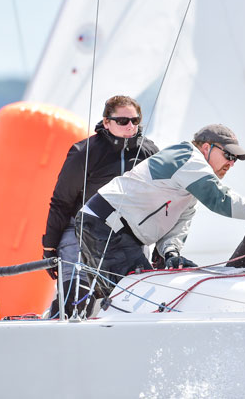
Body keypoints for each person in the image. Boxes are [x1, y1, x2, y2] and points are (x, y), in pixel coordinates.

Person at [78, 124, 245, 298]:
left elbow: (176, 230)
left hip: (115, 230)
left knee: (132, 295)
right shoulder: (187, 157)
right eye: (228, 155)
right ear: (207, 147)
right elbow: (222, 201)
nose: (231, 163)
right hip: (107, 225)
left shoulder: (190, 187)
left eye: (234, 159)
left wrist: (171, 253)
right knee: (139, 295)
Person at [42, 95, 158, 317]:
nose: (130, 126)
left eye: (135, 120)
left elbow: (161, 202)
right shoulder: (84, 152)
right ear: (106, 122)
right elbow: (61, 201)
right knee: (74, 301)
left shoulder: (149, 153)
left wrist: (162, 248)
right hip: (81, 233)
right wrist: (49, 247)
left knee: (138, 303)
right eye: (123, 121)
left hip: (128, 236)